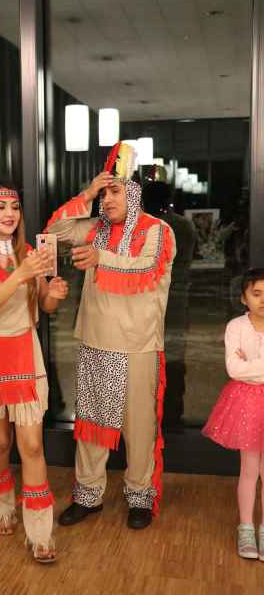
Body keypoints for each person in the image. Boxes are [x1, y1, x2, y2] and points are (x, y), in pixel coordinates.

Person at [45, 142, 176, 529]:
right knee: (92, 425)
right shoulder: (96, 228)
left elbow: (146, 269)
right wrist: (87, 193)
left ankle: (139, 497)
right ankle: (88, 495)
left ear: (134, 193)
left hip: (137, 345)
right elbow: (55, 230)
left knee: (139, 428)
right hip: (96, 341)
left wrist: (101, 258)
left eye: (115, 191)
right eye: (104, 193)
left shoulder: (157, 231)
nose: (108, 200)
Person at [0, 168, 68, 563]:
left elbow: (45, 306)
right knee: (0, 442)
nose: (9, 214)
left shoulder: (30, 253)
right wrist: (20, 274)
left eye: (15, 207)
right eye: (1, 207)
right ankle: (2, 504)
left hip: (24, 349)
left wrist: (53, 292)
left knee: (33, 444)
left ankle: (40, 531)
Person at [203, 268, 264, 560]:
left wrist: (250, 365)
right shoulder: (236, 327)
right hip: (247, 404)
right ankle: (246, 527)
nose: (263, 300)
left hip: (250, 394)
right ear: (243, 298)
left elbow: (244, 369)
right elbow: (234, 369)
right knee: (249, 469)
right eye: (256, 294)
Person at [142, 180, 196, 428]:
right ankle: (172, 414)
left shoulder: (144, 227)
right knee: (173, 357)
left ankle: (146, 417)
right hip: (177, 298)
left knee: (144, 359)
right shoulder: (184, 225)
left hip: (147, 299)